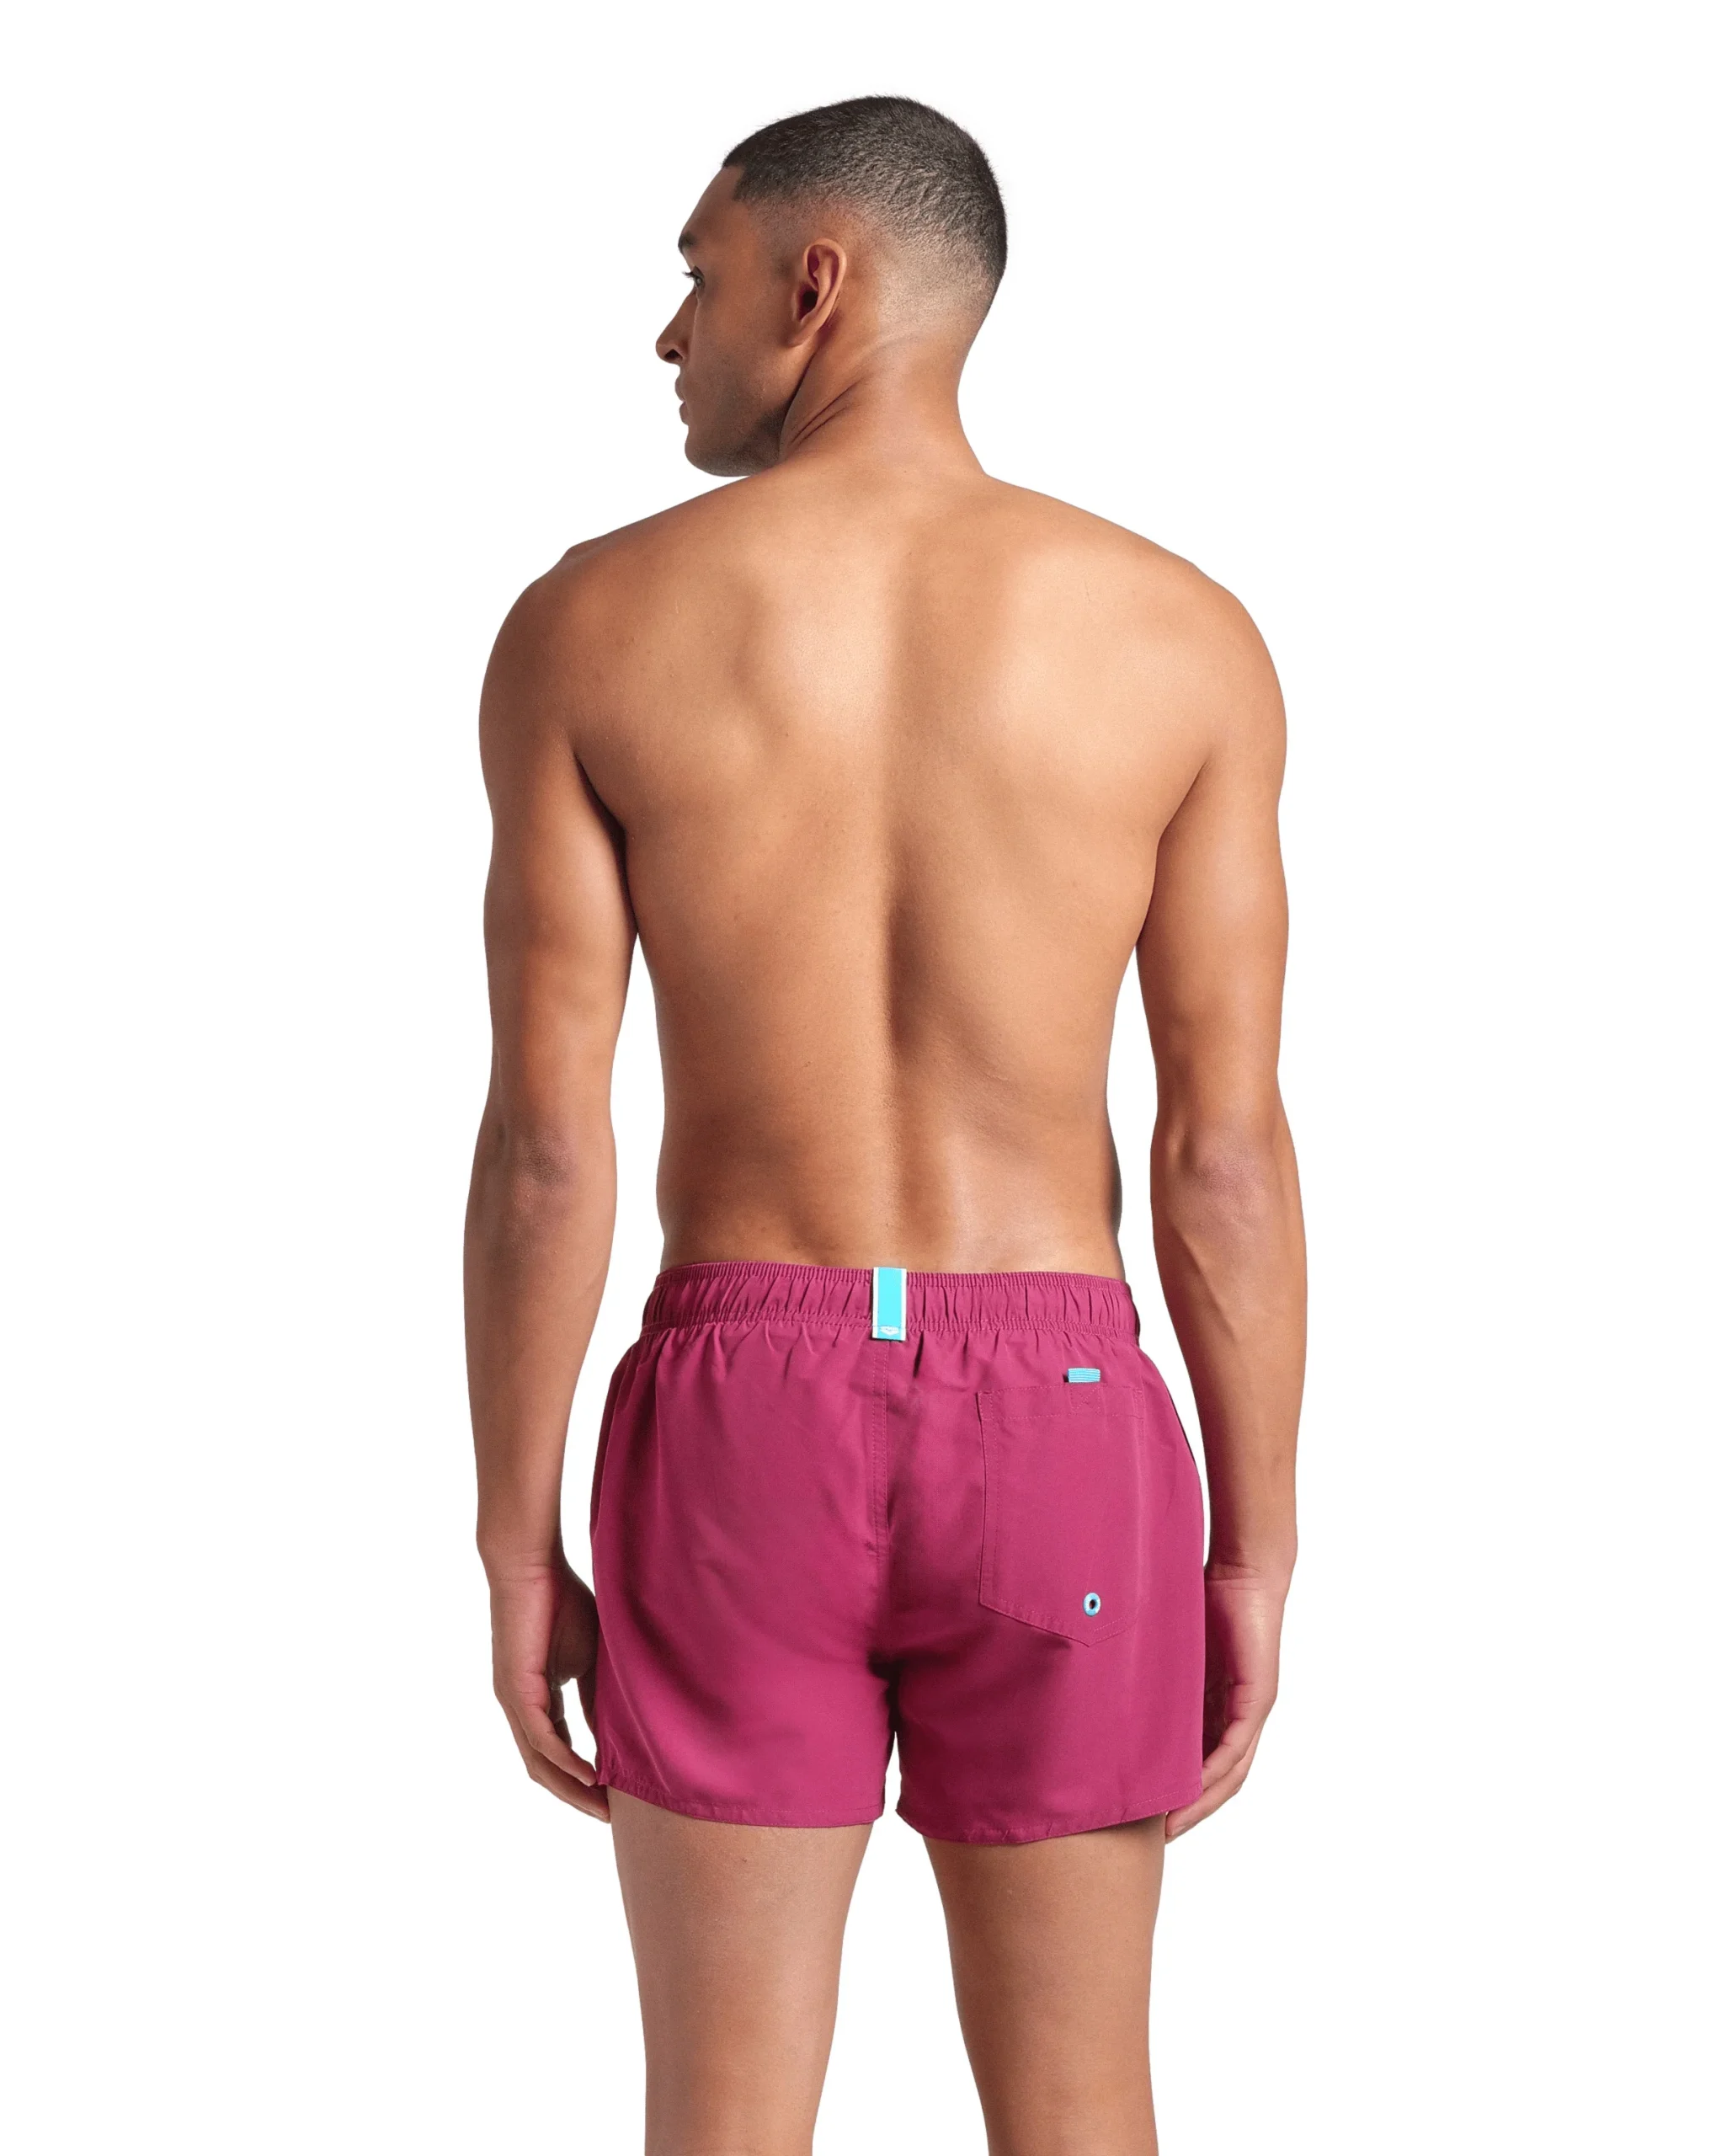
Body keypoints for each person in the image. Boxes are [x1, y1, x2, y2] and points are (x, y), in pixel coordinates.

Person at [464, 94, 1304, 2156]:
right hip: (1063, 1415)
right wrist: (1254, 1544)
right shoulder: (1179, 633)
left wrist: (512, 1528)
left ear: (813, 283)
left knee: (723, 2119)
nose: (673, 332)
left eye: (699, 275)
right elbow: (1220, 1155)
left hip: (742, 1411)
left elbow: (551, 1147)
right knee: (1084, 2108)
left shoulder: (591, 624)